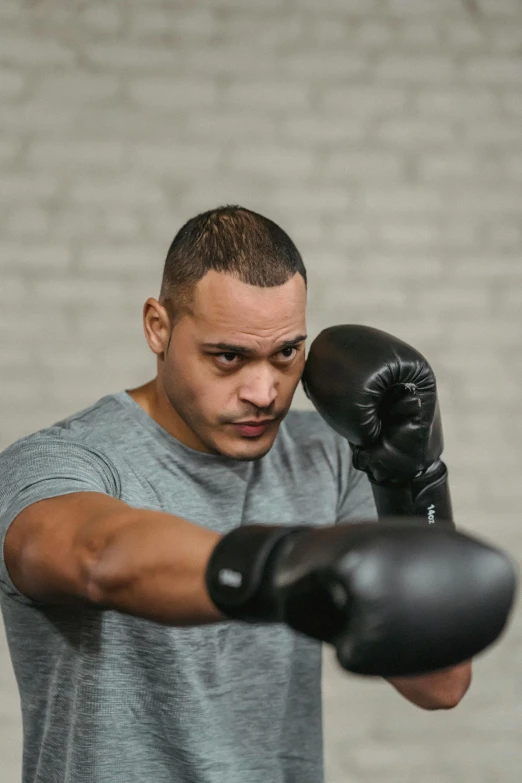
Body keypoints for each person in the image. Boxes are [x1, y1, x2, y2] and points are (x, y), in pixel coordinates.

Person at [0, 206, 471, 783]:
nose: (263, 392)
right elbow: (97, 556)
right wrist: (291, 566)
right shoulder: (63, 461)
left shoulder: (328, 456)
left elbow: (439, 684)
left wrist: (411, 481)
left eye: (285, 354)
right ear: (158, 327)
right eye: (228, 357)